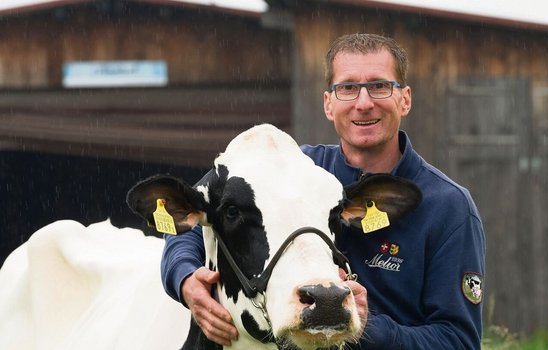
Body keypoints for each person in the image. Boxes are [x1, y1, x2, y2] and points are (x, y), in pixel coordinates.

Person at [161, 33, 486, 349]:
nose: (364, 103)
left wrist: (363, 324)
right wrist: (186, 279)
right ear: (328, 104)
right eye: (347, 88)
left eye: (379, 86)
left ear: (405, 98)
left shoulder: (448, 207)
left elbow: (458, 341)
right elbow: (197, 210)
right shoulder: (293, 169)